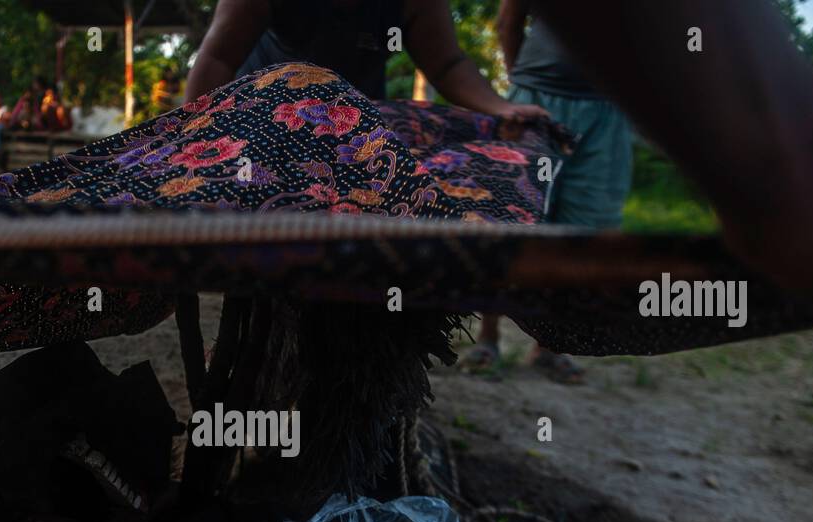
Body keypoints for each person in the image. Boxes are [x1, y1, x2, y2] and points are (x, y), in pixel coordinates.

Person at [467, 0, 635, 383]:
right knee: (509, 213)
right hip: (534, 101)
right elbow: (509, 21)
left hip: (607, 113)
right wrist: (523, 88)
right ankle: (487, 338)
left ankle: (550, 347)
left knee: (585, 230)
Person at [184, 0, 548, 122]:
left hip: (356, 125)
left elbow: (447, 65)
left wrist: (501, 108)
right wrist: (193, 131)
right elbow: (217, 59)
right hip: (263, 119)